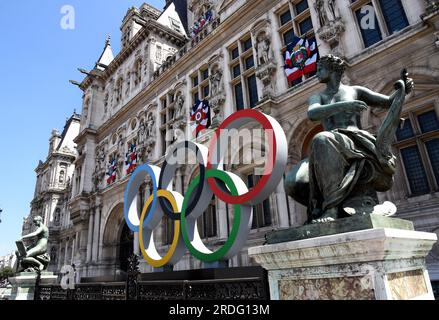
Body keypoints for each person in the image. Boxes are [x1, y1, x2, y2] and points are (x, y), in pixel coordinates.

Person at [285, 55, 413, 223]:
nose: (316, 74)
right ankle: (321, 207)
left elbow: (389, 102)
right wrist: (345, 106)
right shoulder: (318, 97)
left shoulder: (355, 91)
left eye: (320, 69)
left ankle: (331, 209)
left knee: (321, 139)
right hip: (327, 143)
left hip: (353, 140)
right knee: (292, 183)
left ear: (332, 71)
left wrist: (403, 90)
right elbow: (313, 113)